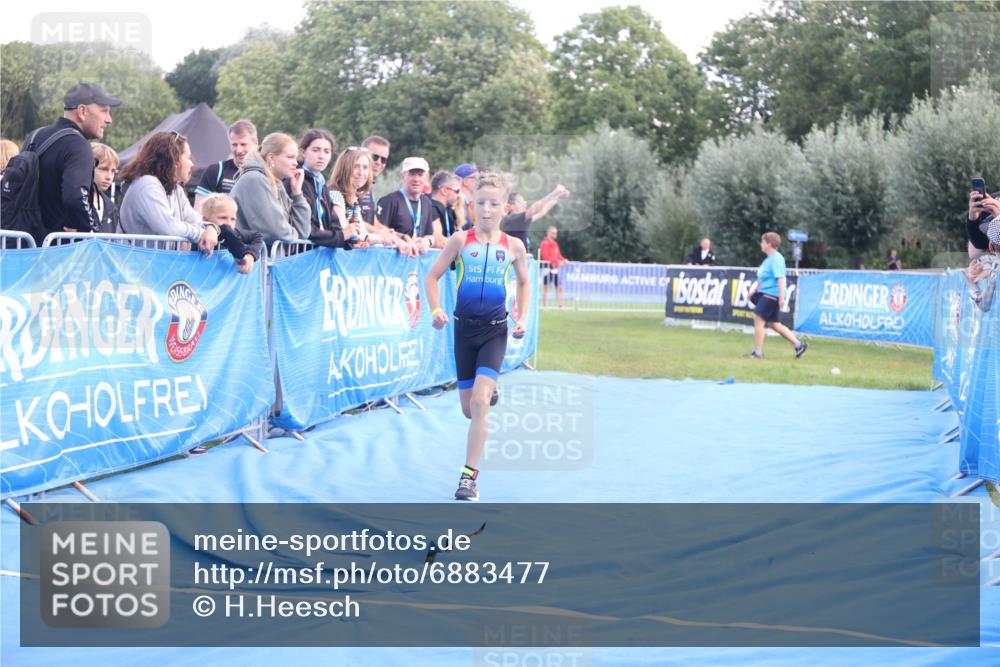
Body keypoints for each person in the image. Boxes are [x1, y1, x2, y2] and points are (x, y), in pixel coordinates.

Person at [425, 171, 531, 501]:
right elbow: (432, 277)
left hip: (495, 331)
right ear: (471, 206)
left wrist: (521, 316)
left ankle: (468, 478)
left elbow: (525, 283)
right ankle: (487, 393)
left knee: (480, 403)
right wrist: (436, 311)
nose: (486, 210)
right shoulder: (459, 241)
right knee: (469, 410)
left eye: (494, 204)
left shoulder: (513, 246)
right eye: (480, 203)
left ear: (504, 209)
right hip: (464, 330)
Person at [33, 82, 121, 238]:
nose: (109, 120)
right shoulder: (78, 145)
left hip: (23, 246)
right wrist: (92, 231)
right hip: (58, 252)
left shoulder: (36, 135)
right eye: (104, 111)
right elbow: (76, 197)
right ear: (82, 111)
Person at [119, 131, 219, 255]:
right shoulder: (147, 185)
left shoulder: (176, 189)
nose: (192, 164)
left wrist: (211, 228)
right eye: (188, 157)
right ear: (174, 159)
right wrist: (201, 234)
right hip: (133, 267)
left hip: (151, 266)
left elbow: (193, 218)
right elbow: (168, 227)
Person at [230, 132, 311, 245]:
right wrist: (294, 239)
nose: (296, 163)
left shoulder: (274, 182)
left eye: (295, 158)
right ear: (271, 158)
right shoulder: (255, 180)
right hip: (248, 260)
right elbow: (277, 233)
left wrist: (297, 194)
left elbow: (303, 233)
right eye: (290, 157)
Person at [327, 146, 405, 251]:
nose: (361, 173)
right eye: (356, 167)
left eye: (365, 167)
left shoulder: (353, 198)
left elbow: (361, 235)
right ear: (345, 168)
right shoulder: (335, 194)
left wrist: (368, 240)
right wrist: (382, 238)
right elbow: (348, 233)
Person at [746, 232, 808, 360]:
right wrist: (753, 291)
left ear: (769, 244)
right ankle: (798, 345)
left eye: (763, 242)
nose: (761, 244)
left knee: (759, 319)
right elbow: (763, 278)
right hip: (767, 293)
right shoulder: (768, 259)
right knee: (774, 324)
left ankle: (757, 352)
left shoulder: (777, 258)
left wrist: (781, 298)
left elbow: (781, 279)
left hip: (772, 294)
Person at [376, 157, 437, 254]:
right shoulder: (389, 201)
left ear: (426, 178)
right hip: (391, 262)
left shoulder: (426, 202)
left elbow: (430, 235)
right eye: (412, 174)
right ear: (403, 176)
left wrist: (427, 242)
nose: (416, 179)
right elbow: (378, 232)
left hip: (416, 264)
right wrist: (402, 240)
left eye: (420, 175)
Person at [194, 119, 257, 212]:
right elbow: (198, 211)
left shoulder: (266, 173)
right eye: (234, 145)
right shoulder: (215, 171)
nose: (239, 150)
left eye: (243, 144)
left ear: (256, 143)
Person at [295, 128, 343, 248]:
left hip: (320, 253)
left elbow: (333, 222)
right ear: (303, 151)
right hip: (300, 254)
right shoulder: (296, 179)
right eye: (316, 150)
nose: (322, 156)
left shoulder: (321, 182)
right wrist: (342, 237)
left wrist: (351, 240)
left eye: (327, 151)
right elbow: (309, 230)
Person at [199, 193, 264, 274]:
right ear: (205, 220)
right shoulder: (200, 232)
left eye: (233, 219)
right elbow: (225, 230)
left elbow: (257, 235)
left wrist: (250, 256)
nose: (229, 223)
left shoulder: (234, 232)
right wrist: (241, 257)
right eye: (223, 217)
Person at [501, 185, 571, 253]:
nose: (525, 204)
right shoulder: (512, 220)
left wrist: (558, 195)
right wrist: (555, 192)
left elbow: (542, 211)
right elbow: (534, 209)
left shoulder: (521, 220)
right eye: (521, 202)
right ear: (511, 206)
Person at [358, 135, 391, 224]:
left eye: (383, 160)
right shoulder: (353, 183)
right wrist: (381, 234)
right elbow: (354, 221)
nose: (379, 162)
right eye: (375, 157)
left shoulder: (368, 185)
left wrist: (391, 233)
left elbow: (371, 220)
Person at [90, 143, 119, 234]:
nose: (109, 177)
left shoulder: (111, 207)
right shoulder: (72, 200)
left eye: (113, 171)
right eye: (103, 169)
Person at [429, 170, 462, 248]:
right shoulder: (431, 208)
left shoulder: (449, 209)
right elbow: (438, 241)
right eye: (457, 191)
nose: (459, 195)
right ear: (444, 190)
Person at [539, 226, 568, 307]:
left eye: (555, 233)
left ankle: (560, 305)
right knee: (546, 288)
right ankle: (545, 306)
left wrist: (563, 260)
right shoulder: (544, 243)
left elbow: (558, 255)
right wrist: (558, 262)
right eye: (553, 232)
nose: (555, 234)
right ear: (548, 233)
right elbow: (545, 257)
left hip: (555, 269)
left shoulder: (555, 244)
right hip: (547, 269)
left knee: (560, 287)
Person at [455, 162, 479, 227]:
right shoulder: (458, 203)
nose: (479, 180)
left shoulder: (470, 202)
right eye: (476, 177)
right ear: (465, 182)